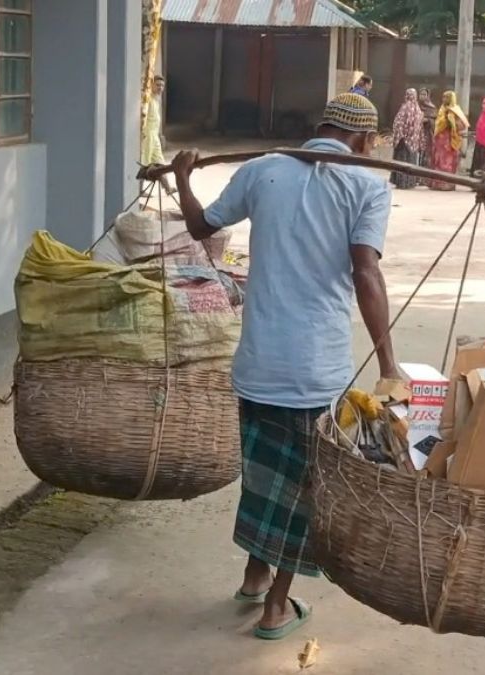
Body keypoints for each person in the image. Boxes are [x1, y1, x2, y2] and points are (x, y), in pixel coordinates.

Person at [170, 93, 400, 641]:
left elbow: (201, 227)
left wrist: (182, 178)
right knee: (304, 489)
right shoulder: (367, 186)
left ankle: (255, 575)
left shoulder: (263, 169)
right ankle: (276, 605)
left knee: (264, 476)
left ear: (319, 128)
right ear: (365, 141)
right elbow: (365, 272)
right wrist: (389, 362)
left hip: (258, 362)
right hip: (315, 370)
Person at [141, 75, 175, 194]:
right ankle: (139, 190)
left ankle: (167, 188)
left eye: (162, 85)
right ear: (152, 85)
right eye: (158, 85)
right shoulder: (147, 100)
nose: (160, 88)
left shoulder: (156, 100)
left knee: (160, 162)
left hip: (154, 136)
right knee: (145, 163)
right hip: (147, 136)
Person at [430, 90, 469, 191]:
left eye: (446, 97)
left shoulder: (456, 110)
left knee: (448, 162)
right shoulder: (442, 109)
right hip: (440, 141)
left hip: (450, 141)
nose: (444, 99)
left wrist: (452, 121)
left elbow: (463, 125)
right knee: (439, 161)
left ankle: (447, 184)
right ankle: (437, 183)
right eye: (443, 97)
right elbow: (438, 123)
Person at [389, 89, 425, 189]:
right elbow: (420, 127)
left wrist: (397, 137)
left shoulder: (405, 107)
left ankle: (401, 182)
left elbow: (398, 123)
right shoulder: (418, 109)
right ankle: (410, 183)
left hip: (403, 141)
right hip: (413, 142)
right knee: (411, 162)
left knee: (402, 161)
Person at [417, 88, 438, 173]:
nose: (422, 96)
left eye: (424, 94)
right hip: (416, 133)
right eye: (421, 94)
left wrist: (427, 120)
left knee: (425, 154)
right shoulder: (415, 105)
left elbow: (435, 121)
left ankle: (424, 173)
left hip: (426, 134)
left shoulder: (431, 107)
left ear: (428, 96)